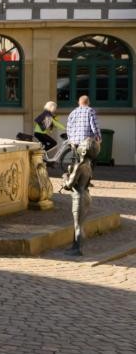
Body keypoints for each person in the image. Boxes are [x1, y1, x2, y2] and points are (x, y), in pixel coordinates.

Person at [63, 95, 102, 256]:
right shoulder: (90, 111)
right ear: (88, 102)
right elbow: (95, 127)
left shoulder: (73, 112)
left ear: (79, 102)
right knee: (80, 222)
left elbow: (68, 127)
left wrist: (72, 141)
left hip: (77, 144)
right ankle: (75, 246)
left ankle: (77, 248)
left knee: (77, 223)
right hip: (87, 142)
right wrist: (98, 139)